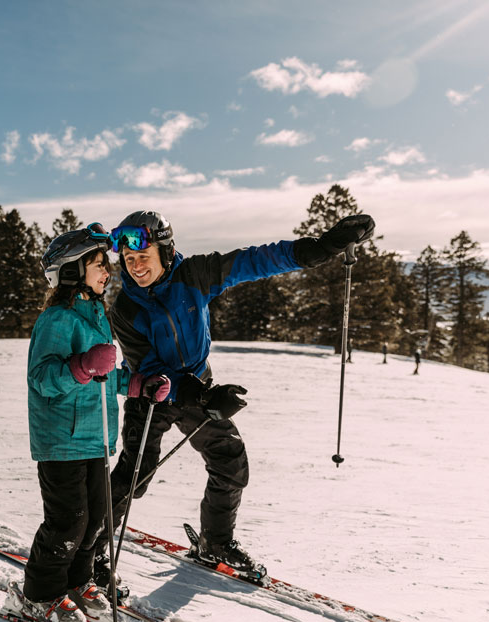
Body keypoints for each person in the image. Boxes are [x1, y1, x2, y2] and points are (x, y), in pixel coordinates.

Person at [92, 210, 375, 588]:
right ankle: (91, 548)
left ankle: (216, 543)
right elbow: (150, 369)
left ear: (166, 251)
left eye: (143, 257)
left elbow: (255, 260)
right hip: (152, 395)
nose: (136, 267)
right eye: (128, 260)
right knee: (134, 473)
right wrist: (199, 394)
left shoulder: (195, 275)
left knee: (230, 462)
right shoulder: (126, 308)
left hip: (198, 384)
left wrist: (320, 249)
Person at [16, 224, 170, 622]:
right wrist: (81, 366)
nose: (108, 272)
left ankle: (79, 581)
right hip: (61, 441)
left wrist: (137, 384)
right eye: (99, 264)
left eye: (106, 264)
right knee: (68, 522)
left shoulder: (96, 316)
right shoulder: (57, 319)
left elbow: (106, 376)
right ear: (70, 271)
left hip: (96, 437)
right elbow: (43, 379)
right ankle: (40, 593)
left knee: (96, 516)